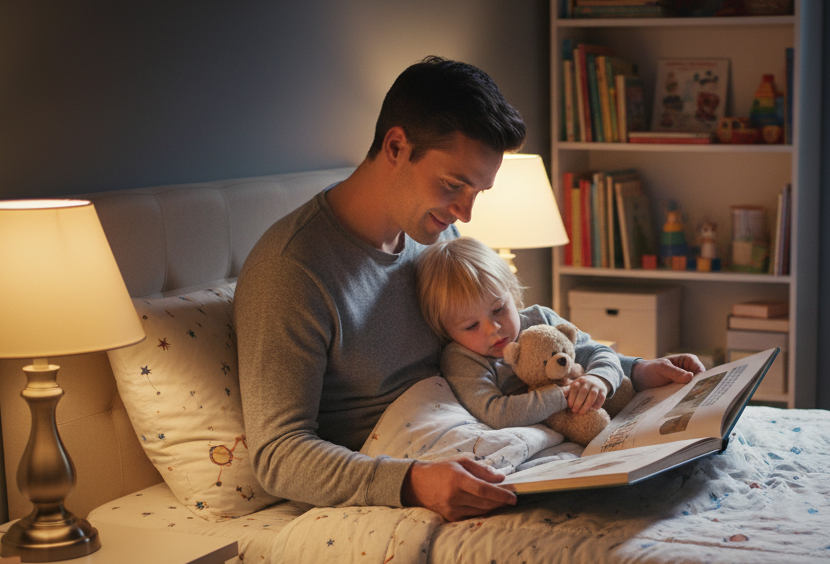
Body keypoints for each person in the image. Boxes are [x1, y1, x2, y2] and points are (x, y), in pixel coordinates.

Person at [234, 56, 702, 523]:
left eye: (477, 192)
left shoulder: (432, 239)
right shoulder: (291, 273)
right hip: (416, 464)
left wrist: (634, 370)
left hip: (499, 434)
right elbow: (278, 455)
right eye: (453, 185)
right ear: (396, 146)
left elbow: (507, 351)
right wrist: (414, 481)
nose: (465, 213)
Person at [419, 236, 624, 429]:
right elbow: (496, 413)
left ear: (512, 292)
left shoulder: (539, 319)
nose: (493, 329)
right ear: (447, 332)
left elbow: (598, 351)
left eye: (499, 309)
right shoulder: (462, 359)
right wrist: (562, 394)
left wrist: (599, 379)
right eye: (471, 326)